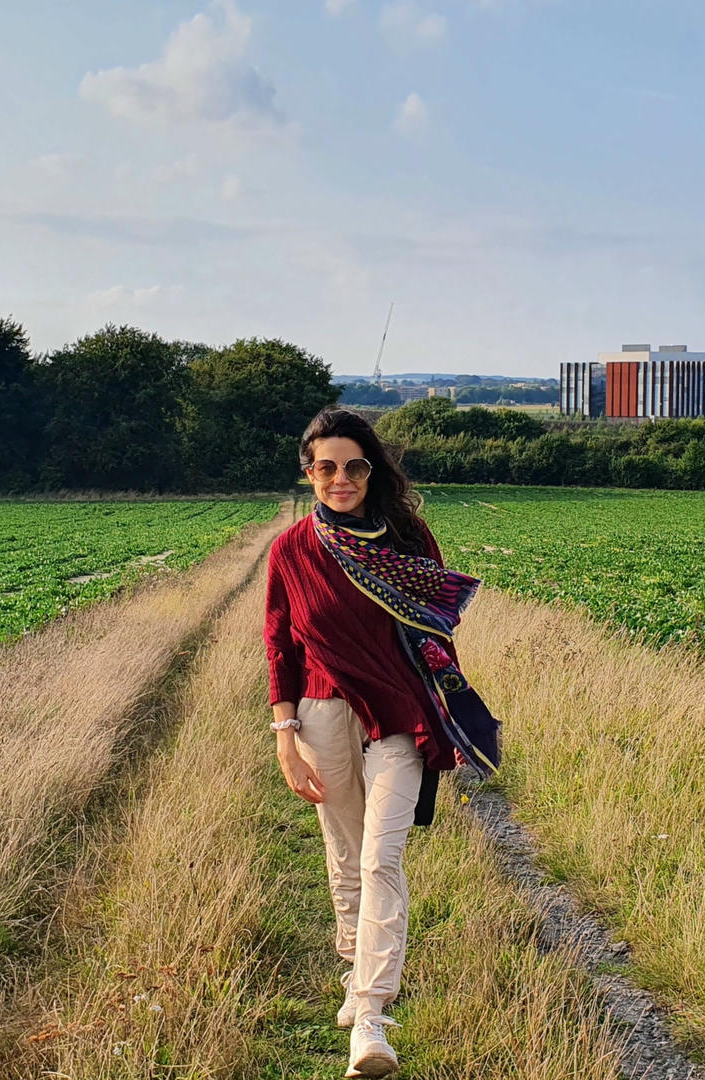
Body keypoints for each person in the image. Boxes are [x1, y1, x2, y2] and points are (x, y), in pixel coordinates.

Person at [263, 407, 499, 1079]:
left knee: (380, 857)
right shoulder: (291, 550)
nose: (342, 479)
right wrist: (285, 736)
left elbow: (437, 620)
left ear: (373, 469)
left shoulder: (407, 535)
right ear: (309, 474)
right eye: (327, 467)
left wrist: (444, 699)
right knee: (343, 852)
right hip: (319, 712)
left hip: (399, 712)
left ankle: (370, 1016)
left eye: (355, 466)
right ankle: (353, 959)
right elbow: (278, 643)